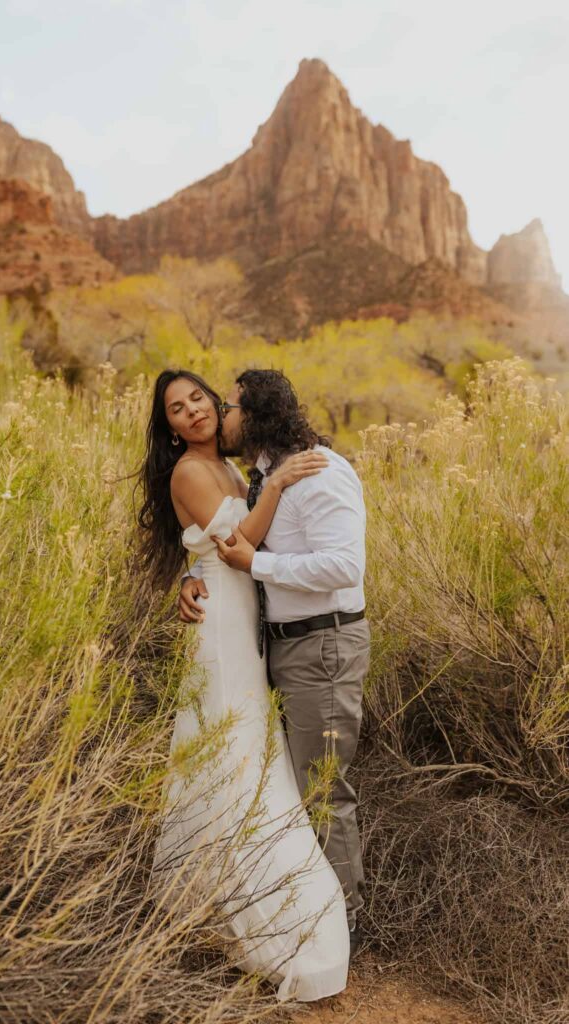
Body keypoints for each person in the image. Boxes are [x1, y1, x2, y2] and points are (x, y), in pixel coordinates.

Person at [137, 368, 350, 1002]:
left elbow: (215, 549)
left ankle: (219, 894)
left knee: (251, 747)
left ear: (215, 403)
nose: (193, 412)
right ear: (169, 426)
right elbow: (235, 545)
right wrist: (279, 484)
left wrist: (188, 569)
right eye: (176, 409)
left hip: (248, 623)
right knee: (231, 749)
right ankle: (243, 908)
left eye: (198, 398)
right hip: (222, 631)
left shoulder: (231, 468)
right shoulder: (189, 473)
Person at [179, 369, 370, 955]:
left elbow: (344, 567)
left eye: (226, 406)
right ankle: (303, 914)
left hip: (324, 646)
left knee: (324, 789)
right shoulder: (260, 474)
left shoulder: (319, 472)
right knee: (290, 784)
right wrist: (192, 574)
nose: (214, 413)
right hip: (279, 645)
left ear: (255, 416)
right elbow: (215, 539)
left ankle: (342, 930)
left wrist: (256, 568)